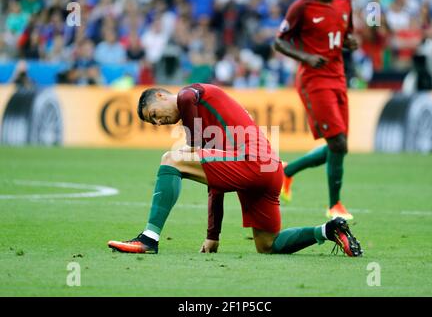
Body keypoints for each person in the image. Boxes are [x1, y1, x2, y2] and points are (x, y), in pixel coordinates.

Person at [107, 83, 362, 257]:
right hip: (269, 169)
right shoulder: (207, 129)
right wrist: (213, 236)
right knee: (268, 245)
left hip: (250, 162)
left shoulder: (188, 95)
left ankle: (149, 239)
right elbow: (215, 185)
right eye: (153, 121)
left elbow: (186, 99)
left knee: (170, 158)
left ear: (161, 96)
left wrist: (191, 143)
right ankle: (329, 230)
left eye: (154, 114)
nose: (158, 121)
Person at [273, 0, 358, 220]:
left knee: (340, 146)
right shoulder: (302, 6)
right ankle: (334, 206)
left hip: (338, 77)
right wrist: (306, 57)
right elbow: (279, 42)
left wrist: (349, 42)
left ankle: (286, 171)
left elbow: (343, 34)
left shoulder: (344, 2)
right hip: (314, 80)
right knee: (337, 143)